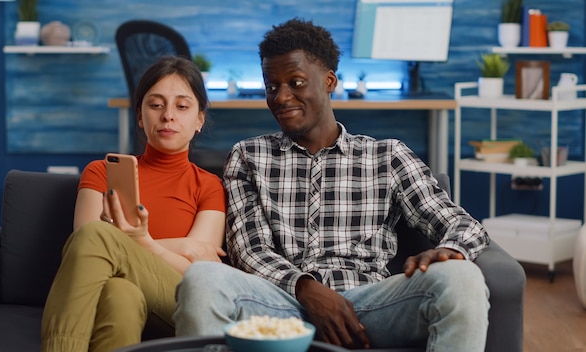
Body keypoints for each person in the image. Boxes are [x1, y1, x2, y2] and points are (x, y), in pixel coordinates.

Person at [173, 18, 491, 351]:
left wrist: (451, 250)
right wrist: (309, 291)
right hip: (278, 304)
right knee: (202, 278)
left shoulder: (387, 155)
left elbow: (462, 224)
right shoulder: (248, 156)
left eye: (295, 82)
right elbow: (250, 252)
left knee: (462, 277)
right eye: (271, 86)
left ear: (329, 82)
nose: (281, 97)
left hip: (370, 307)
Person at [41, 56, 227, 352]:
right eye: (156, 105)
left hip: (177, 301)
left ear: (199, 120)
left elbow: (198, 273)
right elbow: (84, 251)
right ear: (140, 116)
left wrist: (144, 241)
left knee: (99, 236)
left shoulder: (210, 186)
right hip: (112, 292)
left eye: (182, 106)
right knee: (120, 292)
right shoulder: (100, 172)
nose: (168, 116)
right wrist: (180, 245)